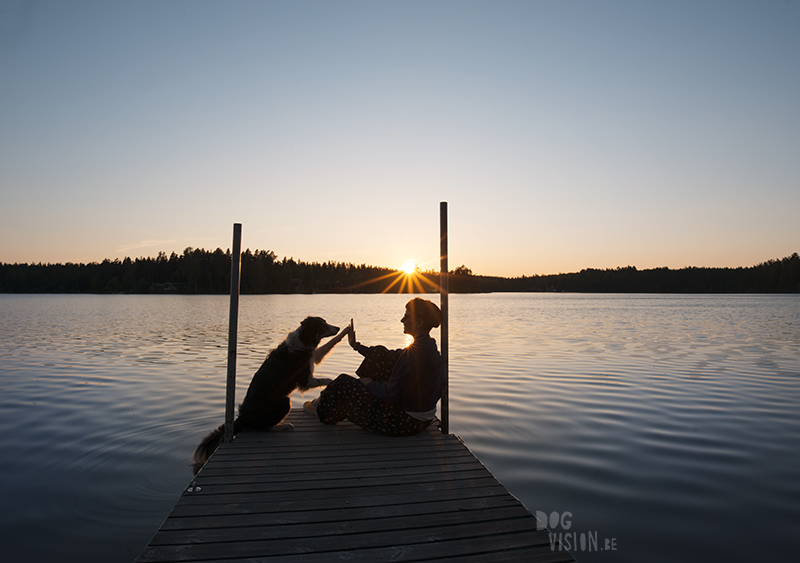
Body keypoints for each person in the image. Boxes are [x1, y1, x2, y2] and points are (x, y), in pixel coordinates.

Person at [305, 298, 443, 436]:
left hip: (404, 421)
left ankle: (321, 406)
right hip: (416, 416)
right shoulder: (426, 345)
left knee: (342, 383)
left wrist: (370, 384)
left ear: (419, 322)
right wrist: (356, 346)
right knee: (379, 353)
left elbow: (394, 393)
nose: (402, 320)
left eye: (406, 317)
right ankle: (347, 398)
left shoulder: (416, 354)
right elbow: (391, 355)